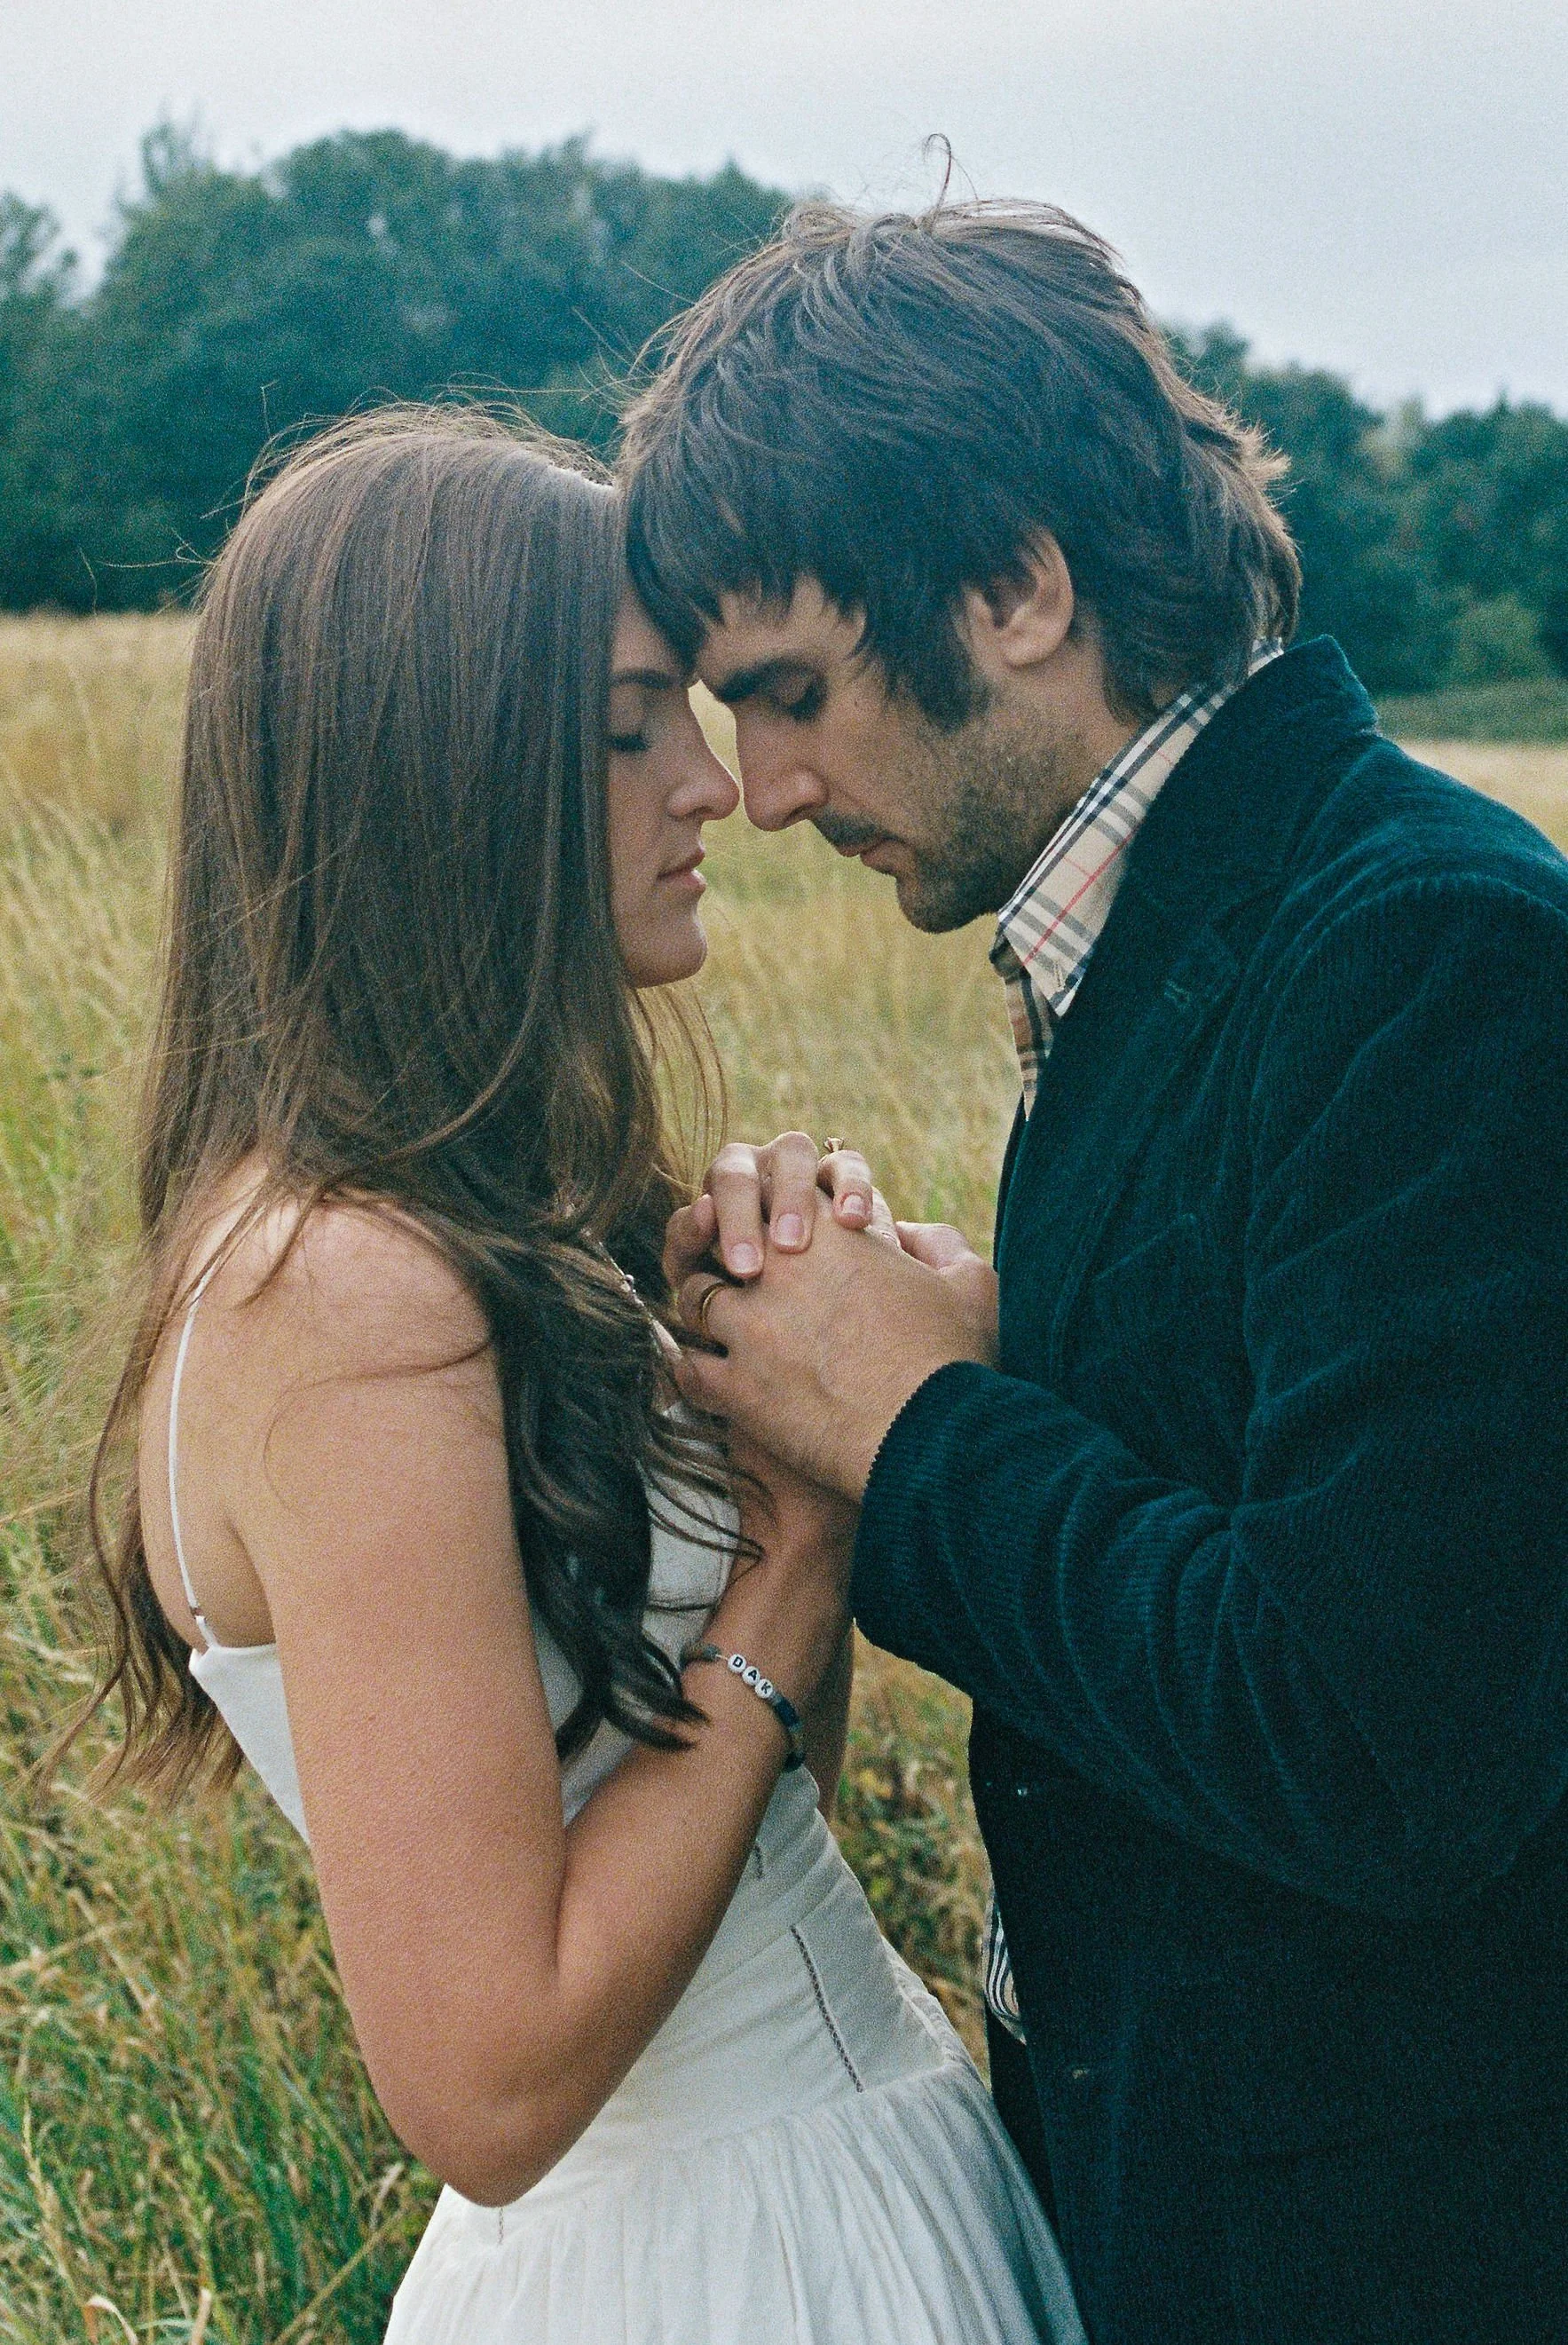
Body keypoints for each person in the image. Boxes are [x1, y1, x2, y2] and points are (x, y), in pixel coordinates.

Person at [624, 201, 1568, 2343]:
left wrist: (923, 1422)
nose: (761, 792)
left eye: (790, 695)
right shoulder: (1158, 936)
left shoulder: (1427, 949)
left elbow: (1377, 1742)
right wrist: (948, 1379)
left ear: (1017, 586)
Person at [79, 408, 1084, 2343]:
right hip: (712, 2261)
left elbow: (757, 1800)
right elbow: (490, 2080)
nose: (718, 785)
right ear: (446, 767)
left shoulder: (475, 1235)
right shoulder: (343, 1296)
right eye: (639, 724)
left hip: (835, 2175)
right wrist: (792, 1551)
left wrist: (787, 1360)